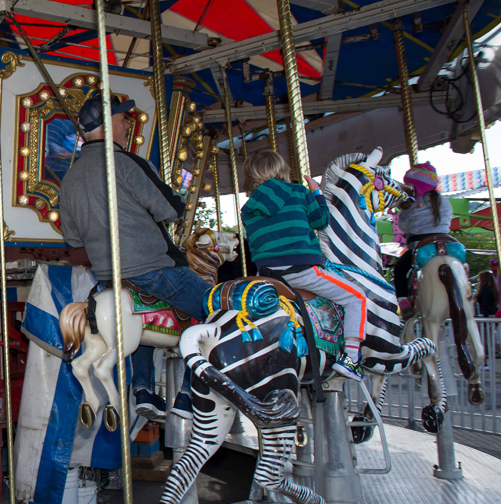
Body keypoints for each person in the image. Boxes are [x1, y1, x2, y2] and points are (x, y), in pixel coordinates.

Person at [60, 93, 209, 420]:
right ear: (107, 124)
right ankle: (189, 395)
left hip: (107, 278)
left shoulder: (70, 178)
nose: (127, 125)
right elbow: (170, 209)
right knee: (219, 309)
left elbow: (73, 238)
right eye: (122, 119)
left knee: (138, 322)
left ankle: (144, 390)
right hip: (154, 269)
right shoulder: (127, 163)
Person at [241, 150, 367, 381]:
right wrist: (317, 192)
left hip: (266, 277)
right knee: (356, 297)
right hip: (301, 271)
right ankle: (351, 359)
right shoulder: (298, 192)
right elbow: (321, 221)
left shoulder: (248, 208)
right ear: (281, 169)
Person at [393, 162, 453, 316]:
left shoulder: (411, 204)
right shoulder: (444, 201)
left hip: (420, 247)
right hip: (445, 245)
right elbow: (448, 221)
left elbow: (404, 226)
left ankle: (403, 301)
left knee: (399, 269)